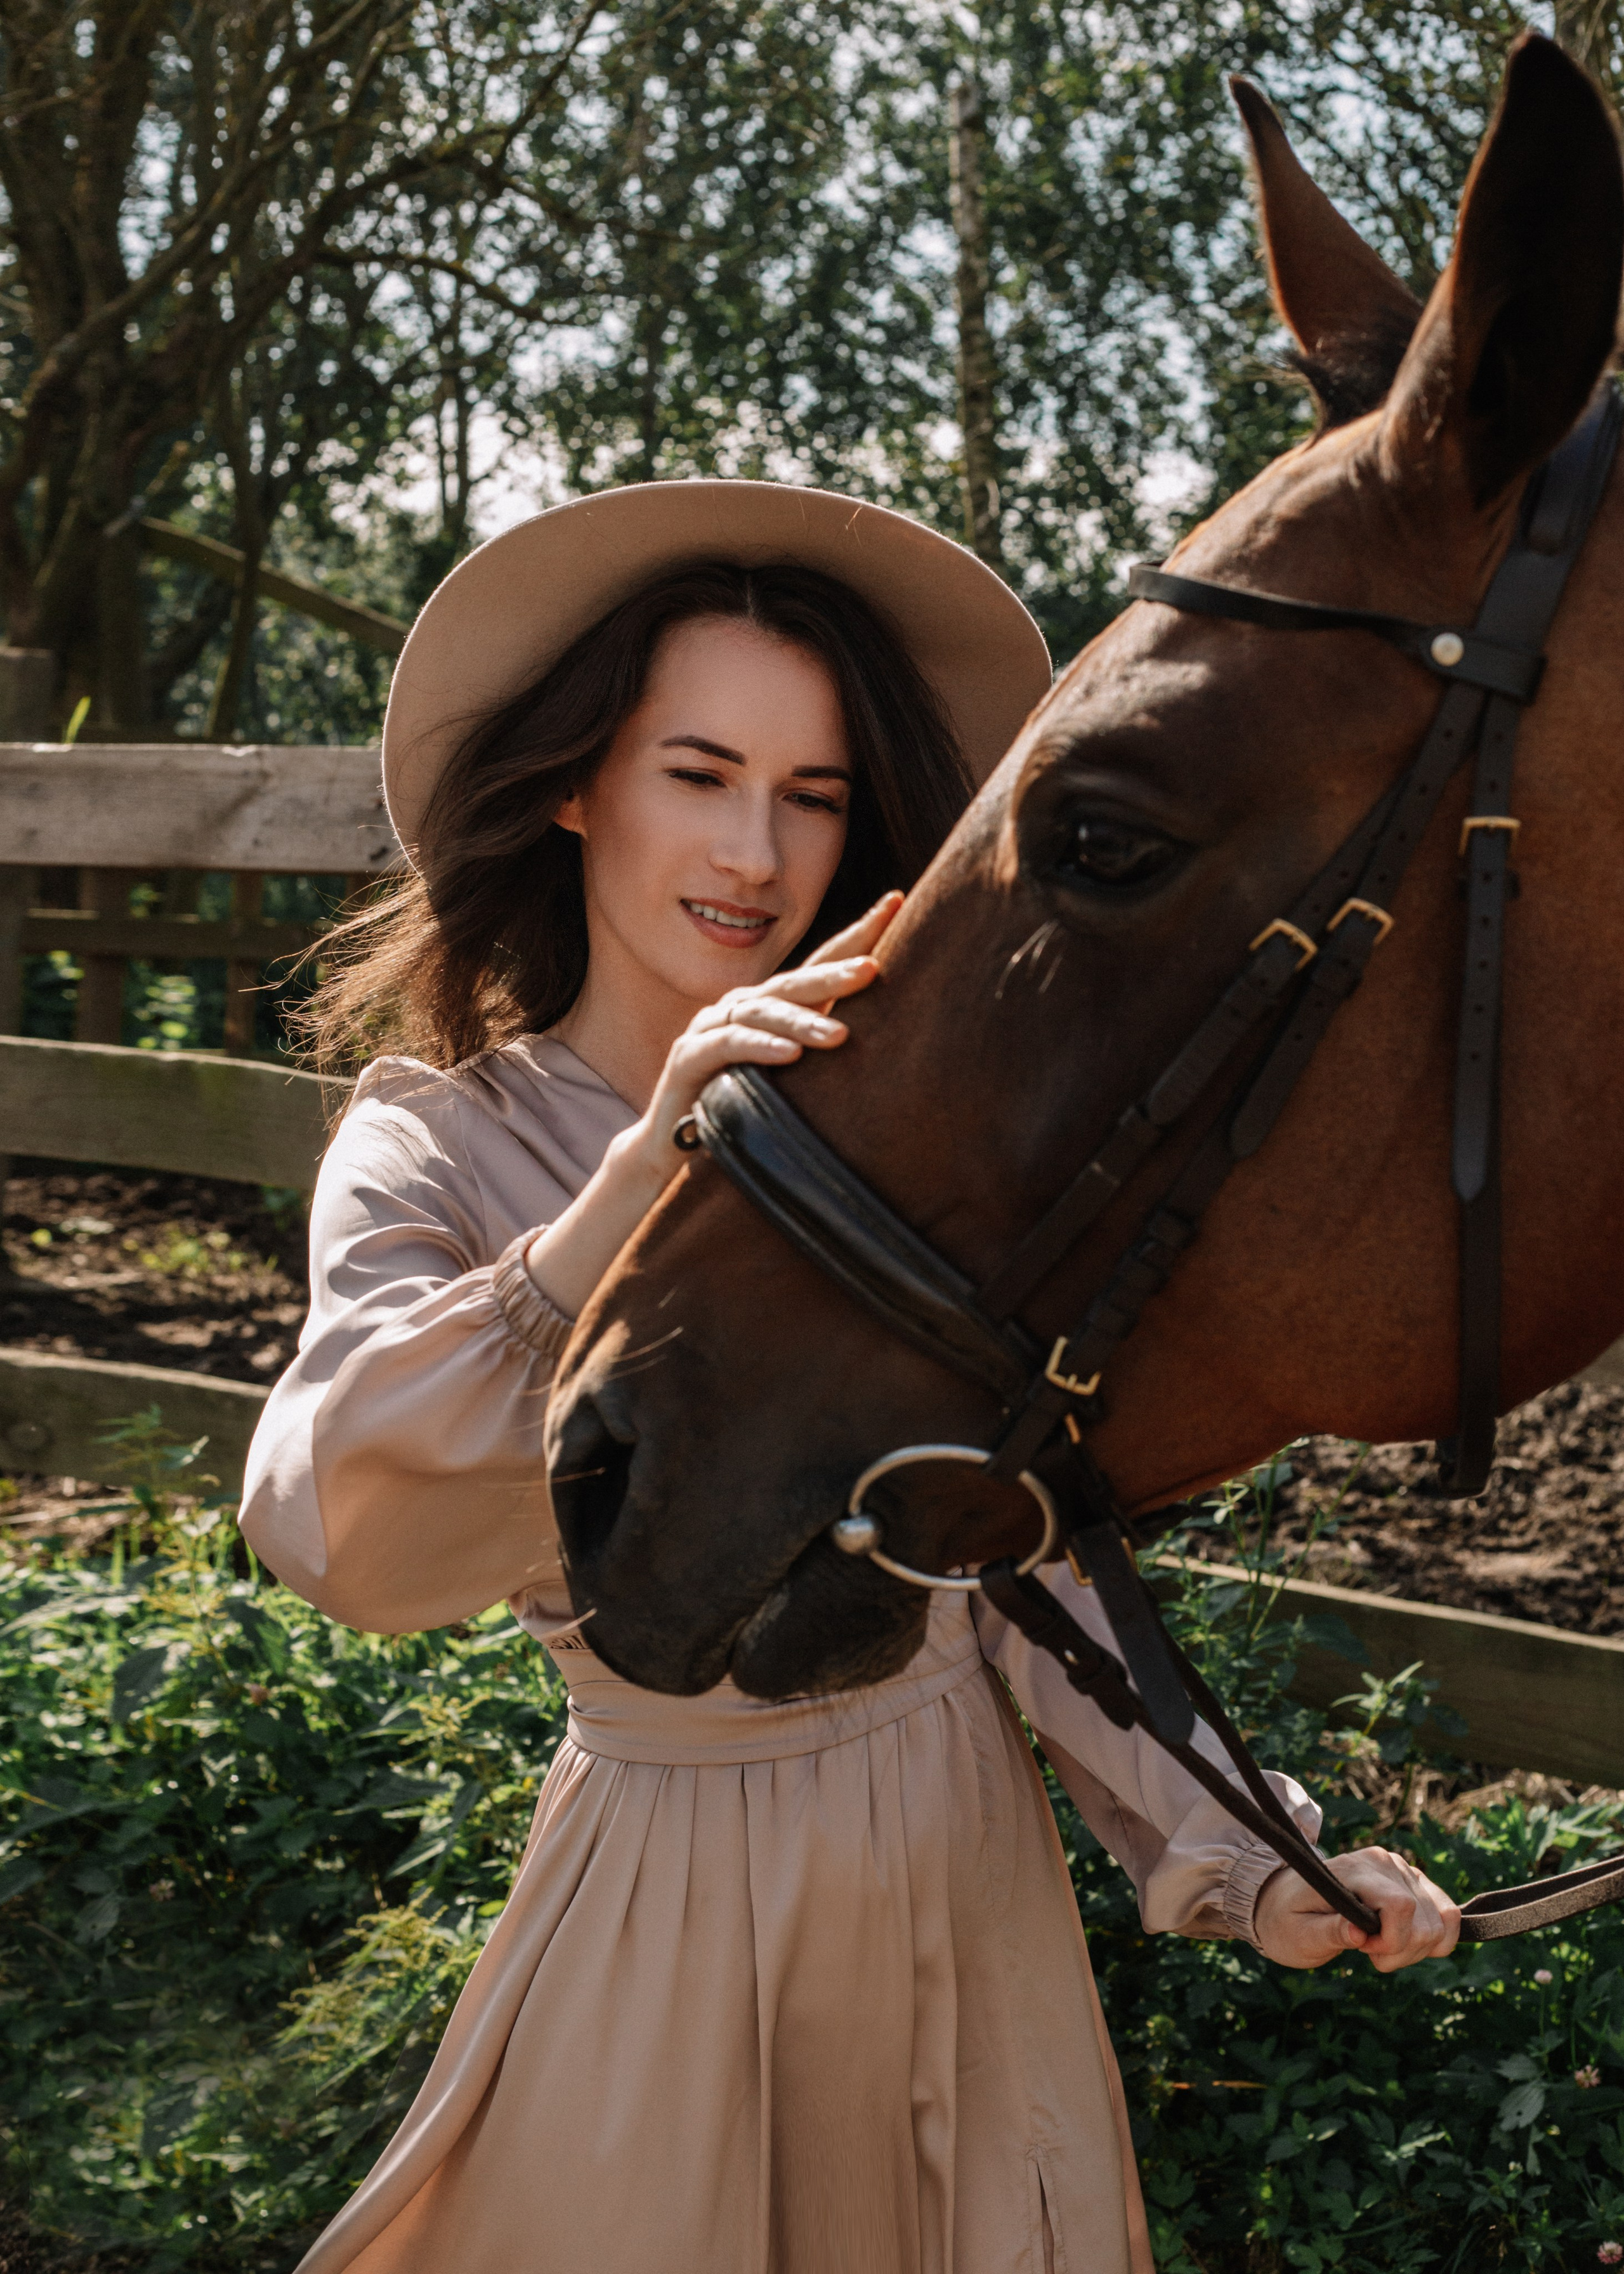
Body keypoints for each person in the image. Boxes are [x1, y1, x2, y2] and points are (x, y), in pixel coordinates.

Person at [241, 479, 1460, 2274]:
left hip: (973, 1905)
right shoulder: (439, 1145)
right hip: (672, 1904)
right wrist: (645, 1169)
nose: (754, 853)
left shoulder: (913, 1125)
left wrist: (1253, 1849)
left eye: (811, 796)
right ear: (578, 781)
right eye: (698, 773)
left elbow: (1018, 1561)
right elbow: (342, 1525)